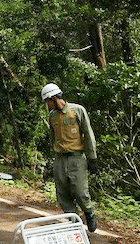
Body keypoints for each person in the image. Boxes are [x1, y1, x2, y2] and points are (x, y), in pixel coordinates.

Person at [41, 83, 98, 233]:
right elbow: (52, 138)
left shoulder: (77, 110)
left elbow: (88, 134)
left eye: (47, 101)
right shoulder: (52, 116)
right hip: (60, 158)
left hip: (77, 157)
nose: (47, 105)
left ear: (53, 98)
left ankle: (89, 213)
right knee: (62, 193)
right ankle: (74, 222)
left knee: (80, 191)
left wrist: (92, 158)